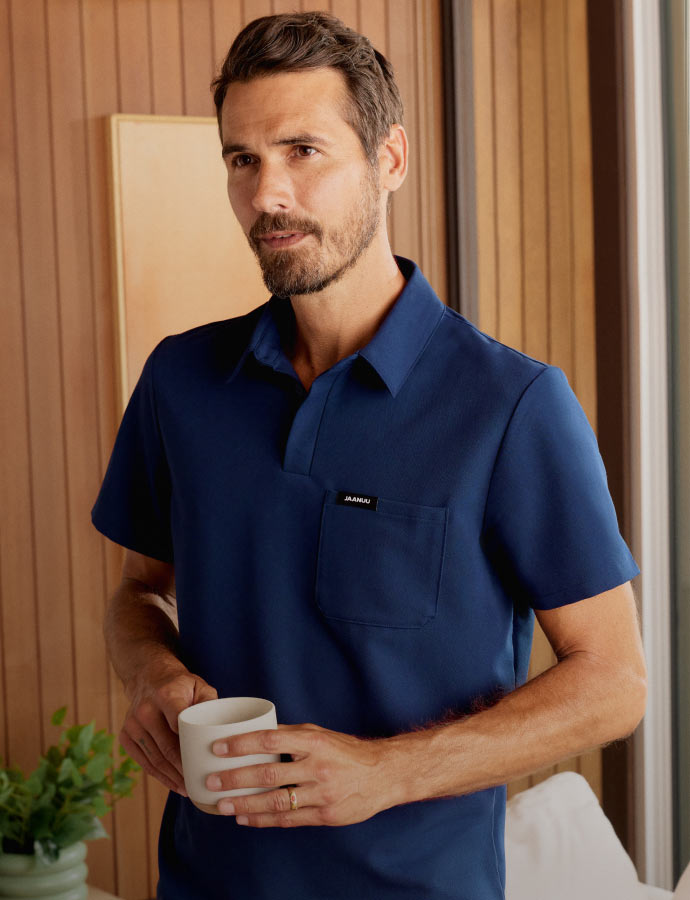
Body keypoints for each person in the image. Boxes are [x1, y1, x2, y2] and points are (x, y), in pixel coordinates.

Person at [92, 12, 647, 900]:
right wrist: (154, 676)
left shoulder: (512, 405)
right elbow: (136, 591)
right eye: (242, 159)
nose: (268, 193)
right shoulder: (181, 382)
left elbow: (615, 684)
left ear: (389, 160)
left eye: (302, 150)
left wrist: (389, 772)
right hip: (203, 881)